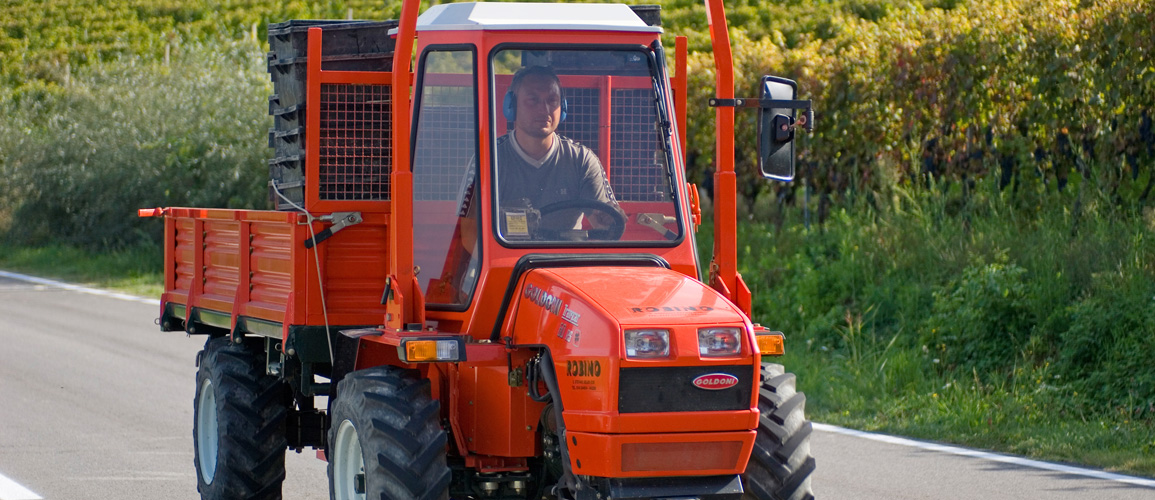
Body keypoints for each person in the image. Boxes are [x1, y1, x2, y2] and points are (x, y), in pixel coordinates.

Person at [496, 65, 624, 238]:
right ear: (511, 105)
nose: (544, 110)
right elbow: (469, 233)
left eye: (552, 100)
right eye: (533, 100)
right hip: (507, 256)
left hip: (563, 255)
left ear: (562, 107)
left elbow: (604, 225)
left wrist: (608, 220)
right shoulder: (489, 159)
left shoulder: (581, 160)